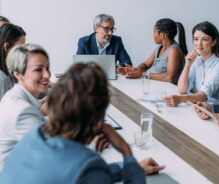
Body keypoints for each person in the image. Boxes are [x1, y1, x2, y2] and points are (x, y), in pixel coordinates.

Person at [0, 62, 165, 183]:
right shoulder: (88, 166)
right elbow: (85, 172)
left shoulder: (33, 137)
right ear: (98, 121)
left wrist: (123, 168)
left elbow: (71, 173)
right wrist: (128, 155)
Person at [0, 43, 50, 171]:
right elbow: (49, 155)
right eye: (38, 70)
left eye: (47, 68)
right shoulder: (22, 110)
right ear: (18, 74)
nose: (47, 75)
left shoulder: (14, 95)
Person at [165, 21, 219, 106]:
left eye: (204, 39)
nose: (199, 44)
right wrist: (187, 65)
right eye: (196, 39)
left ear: (214, 42)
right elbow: (182, 89)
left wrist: (181, 99)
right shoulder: (197, 60)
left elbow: (204, 95)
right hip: (205, 108)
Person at [117, 18, 187, 84]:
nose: (153, 35)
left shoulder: (174, 51)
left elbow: (169, 77)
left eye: (154, 32)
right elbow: (146, 65)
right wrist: (136, 70)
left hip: (170, 90)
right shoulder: (159, 48)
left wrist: (143, 74)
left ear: (162, 35)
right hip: (157, 86)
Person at [0, 23, 26, 100]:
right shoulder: (3, 79)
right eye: (20, 47)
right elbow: (8, 110)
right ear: (6, 47)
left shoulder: (9, 69)